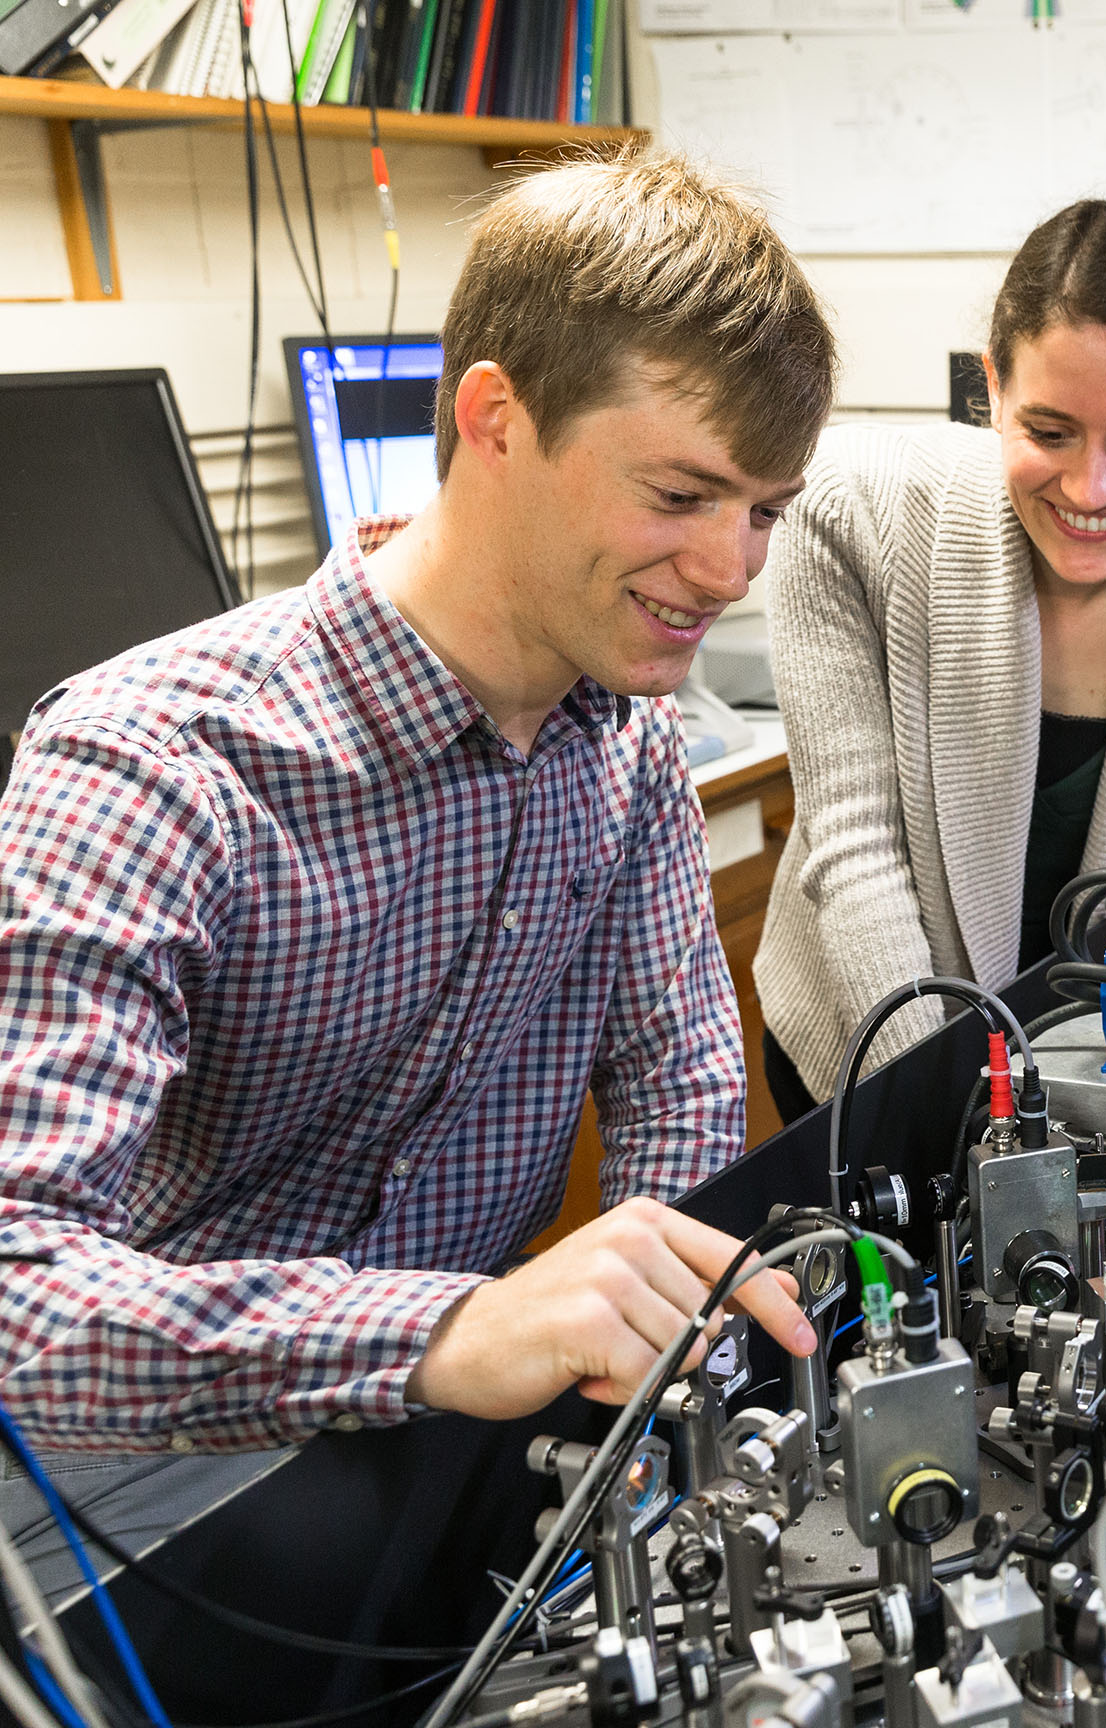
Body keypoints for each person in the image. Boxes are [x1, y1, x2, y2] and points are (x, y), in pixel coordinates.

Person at [0, 150, 836, 1455]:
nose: (731, 567)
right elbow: (17, 1295)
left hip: (452, 1444)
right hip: (149, 1477)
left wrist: (661, 1382)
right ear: (496, 419)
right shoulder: (151, 765)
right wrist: (445, 1335)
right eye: (679, 496)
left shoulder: (627, 742)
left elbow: (678, 1089)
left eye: (765, 511)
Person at [754, 197, 1106, 1117]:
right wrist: (945, 1112)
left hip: (1077, 1053)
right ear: (994, 387)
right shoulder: (853, 509)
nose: (1090, 487)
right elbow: (851, 845)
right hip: (866, 1037)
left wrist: (1097, 1048)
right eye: (1049, 432)